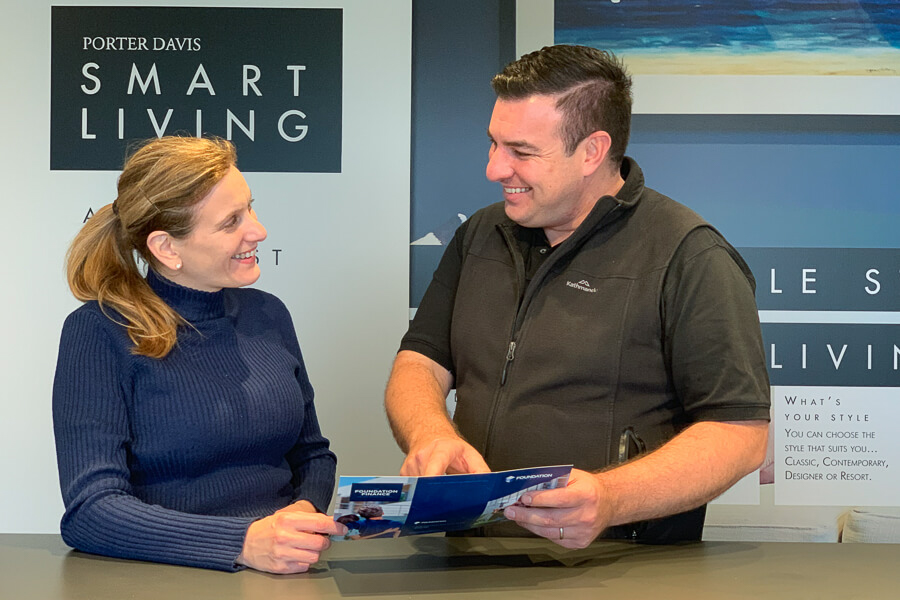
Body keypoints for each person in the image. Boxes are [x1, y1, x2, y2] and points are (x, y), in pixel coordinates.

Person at [385, 45, 770, 548]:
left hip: (620, 567)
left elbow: (740, 433)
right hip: (465, 555)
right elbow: (420, 362)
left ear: (591, 151)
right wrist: (430, 433)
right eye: (493, 144)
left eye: (521, 152)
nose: (494, 169)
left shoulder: (689, 255)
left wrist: (610, 498)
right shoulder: (480, 234)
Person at [53, 136, 346, 573]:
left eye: (250, 208)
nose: (258, 231)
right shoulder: (99, 331)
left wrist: (301, 513)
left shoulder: (268, 313)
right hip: (166, 578)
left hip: (285, 573)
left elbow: (312, 455)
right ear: (167, 248)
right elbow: (91, 511)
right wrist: (242, 543)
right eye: (231, 222)